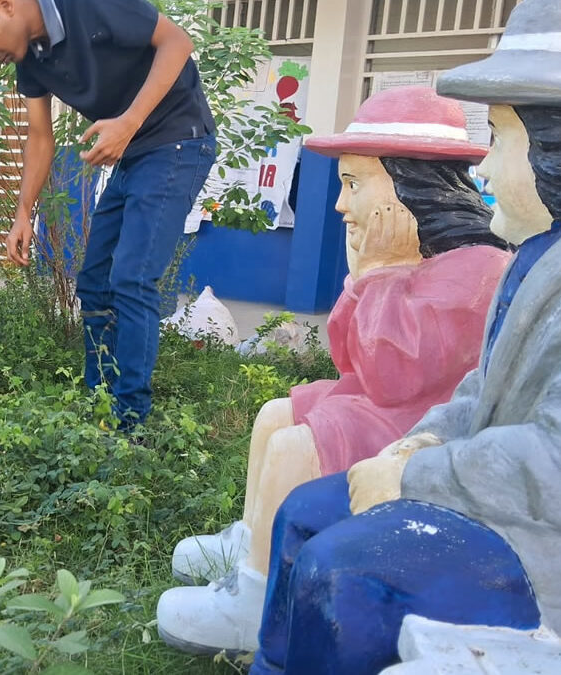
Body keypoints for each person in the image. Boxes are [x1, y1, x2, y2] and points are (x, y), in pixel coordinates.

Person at [238, 3, 561, 672]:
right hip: (490, 482)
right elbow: (484, 389)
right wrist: (430, 435)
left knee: (337, 567)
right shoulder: (543, 256)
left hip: (557, 548)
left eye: (499, 140)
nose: (485, 172)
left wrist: (417, 473)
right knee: (304, 511)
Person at [156, 87, 511, 654]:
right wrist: (368, 275)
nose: (342, 205)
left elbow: (398, 374)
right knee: (279, 412)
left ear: (406, 183)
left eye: (353, 184)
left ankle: (256, 598)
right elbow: (350, 357)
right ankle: (253, 541)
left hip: (429, 422)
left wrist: (380, 271)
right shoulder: (402, 256)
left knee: (299, 444)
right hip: (384, 400)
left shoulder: (477, 267)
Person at [0, 0, 217, 430]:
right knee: (93, 282)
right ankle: (100, 407)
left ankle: (130, 424)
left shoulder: (88, 5)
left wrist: (128, 123)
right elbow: (39, 136)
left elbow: (178, 41)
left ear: (5, 5)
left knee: (132, 278)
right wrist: (22, 214)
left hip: (178, 141)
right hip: (133, 154)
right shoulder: (31, 59)